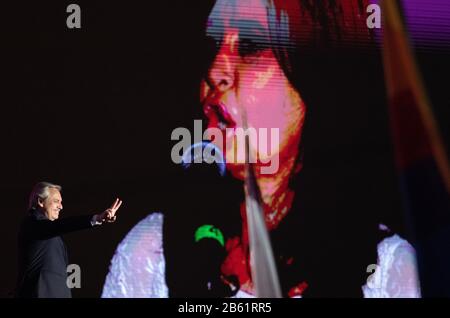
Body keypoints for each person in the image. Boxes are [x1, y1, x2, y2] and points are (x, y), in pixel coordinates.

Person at [102, 0, 421, 297]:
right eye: (213, 43)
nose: (215, 71)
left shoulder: (388, 271)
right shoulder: (153, 253)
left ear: (318, 74)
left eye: (251, 46)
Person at [16, 181, 123, 298]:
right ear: (40, 201)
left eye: (61, 202)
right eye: (56, 201)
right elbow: (63, 225)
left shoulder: (52, 234)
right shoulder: (32, 224)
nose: (61, 207)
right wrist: (96, 218)